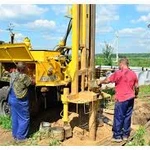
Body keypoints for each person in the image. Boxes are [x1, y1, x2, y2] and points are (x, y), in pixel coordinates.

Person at [97, 58, 139, 142]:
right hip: (131, 98)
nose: (118, 66)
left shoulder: (119, 73)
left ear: (122, 64)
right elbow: (137, 87)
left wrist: (99, 82)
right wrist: (135, 94)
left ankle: (117, 136)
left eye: (119, 65)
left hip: (121, 98)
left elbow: (107, 80)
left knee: (118, 117)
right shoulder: (133, 73)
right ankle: (125, 135)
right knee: (127, 117)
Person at [8, 62, 32, 142]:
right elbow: (31, 83)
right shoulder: (24, 77)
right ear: (23, 68)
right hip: (20, 100)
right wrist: (33, 78)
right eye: (26, 67)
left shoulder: (13, 74)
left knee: (15, 117)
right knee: (24, 118)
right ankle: (21, 138)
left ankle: (15, 135)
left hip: (12, 98)